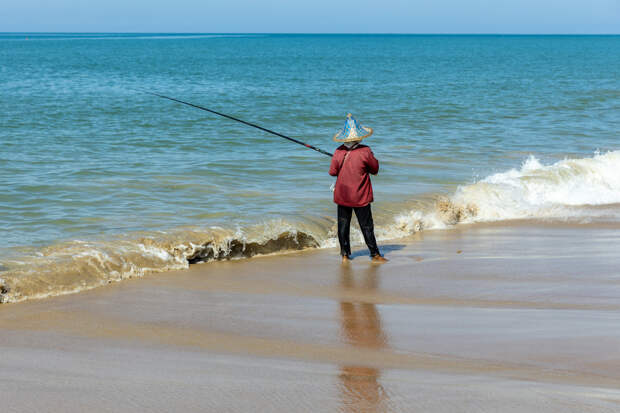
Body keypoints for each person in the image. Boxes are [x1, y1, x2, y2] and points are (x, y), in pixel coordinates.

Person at [329, 114, 388, 263]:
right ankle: (375, 254)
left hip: (342, 195)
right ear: (359, 136)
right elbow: (375, 169)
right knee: (367, 225)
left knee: (343, 225)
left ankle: (344, 255)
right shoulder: (365, 151)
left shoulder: (338, 151)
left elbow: (332, 172)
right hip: (360, 196)